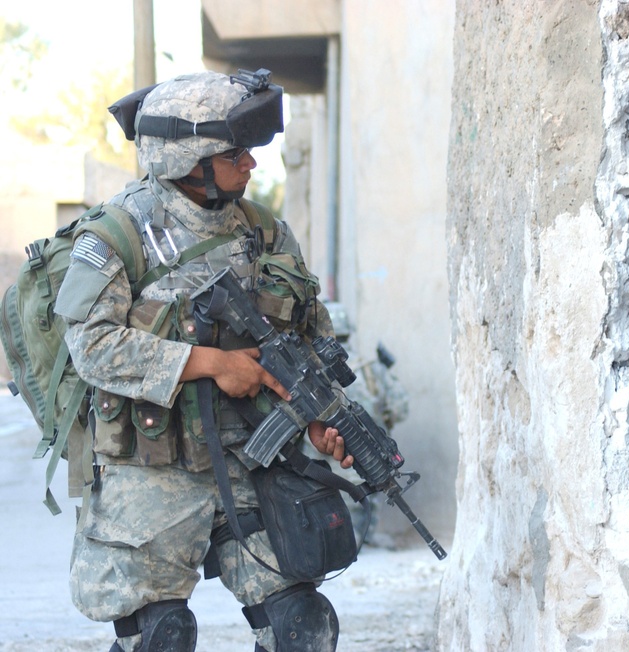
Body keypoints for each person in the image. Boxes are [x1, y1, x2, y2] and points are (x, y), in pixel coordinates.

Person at [53, 70, 352, 652]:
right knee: (161, 637)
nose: (251, 166)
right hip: (151, 473)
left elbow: (309, 339)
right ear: (187, 160)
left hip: (251, 462)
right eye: (235, 153)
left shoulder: (264, 232)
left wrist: (321, 416)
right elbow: (92, 346)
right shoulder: (117, 234)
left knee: (303, 626)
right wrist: (211, 363)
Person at [303, 302, 409, 545]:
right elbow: (400, 408)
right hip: (363, 468)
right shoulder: (372, 368)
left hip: (319, 471)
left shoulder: (309, 368)